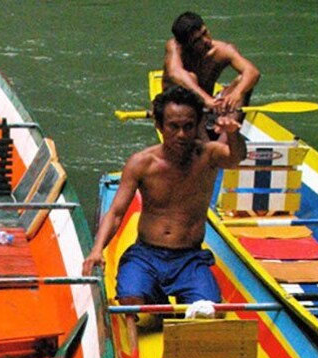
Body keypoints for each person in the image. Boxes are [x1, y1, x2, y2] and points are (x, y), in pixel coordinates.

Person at [83, 86, 246, 325]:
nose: (181, 135)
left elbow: (236, 157)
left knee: (209, 309)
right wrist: (97, 249)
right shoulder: (142, 163)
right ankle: (158, 302)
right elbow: (116, 213)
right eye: (173, 127)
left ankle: (171, 301)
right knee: (129, 298)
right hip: (146, 254)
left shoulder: (209, 155)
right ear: (159, 126)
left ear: (198, 124)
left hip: (189, 257)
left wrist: (233, 133)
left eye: (188, 126)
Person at [163, 11, 260, 116]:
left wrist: (237, 93)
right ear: (185, 45)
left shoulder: (223, 50)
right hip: (175, 105)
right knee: (191, 77)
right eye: (197, 40)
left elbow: (252, 71)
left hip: (209, 106)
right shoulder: (175, 47)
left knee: (243, 81)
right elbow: (175, 73)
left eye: (205, 33)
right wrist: (206, 100)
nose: (206, 41)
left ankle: (228, 127)